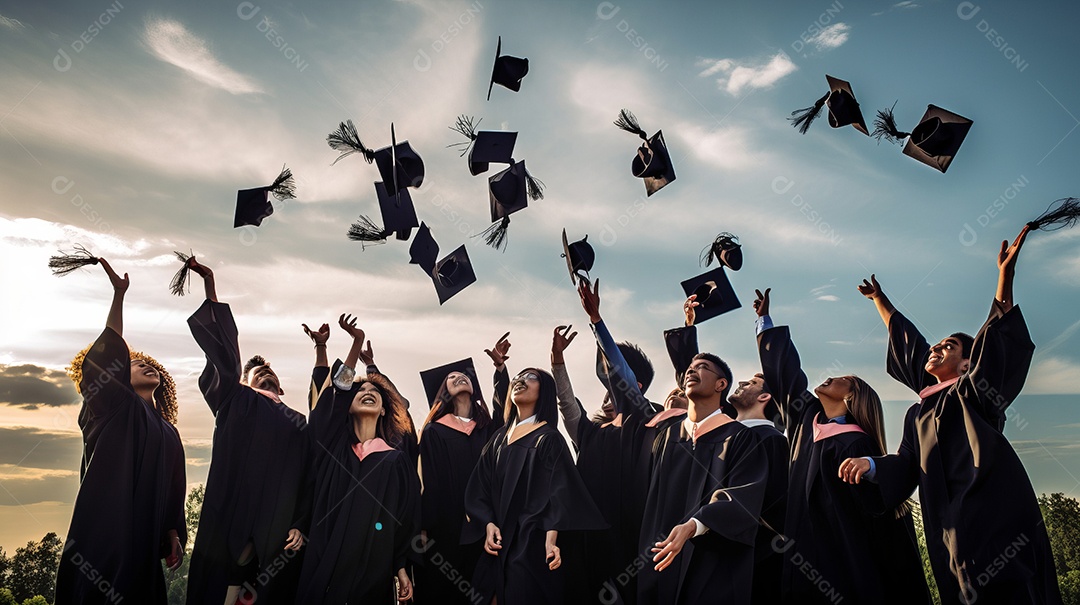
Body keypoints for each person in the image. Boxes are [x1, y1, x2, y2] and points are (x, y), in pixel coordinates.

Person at [839, 226, 1062, 605]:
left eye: (949, 346)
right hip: (947, 529)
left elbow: (997, 345)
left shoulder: (975, 393)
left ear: (967, 364)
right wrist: (872, 465)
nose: (936, 348)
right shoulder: (918, 412)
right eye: (937, 344)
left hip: (993, 518)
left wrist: (1004, 281)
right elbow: (907, 462)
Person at [577, 278, 768, 605]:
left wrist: (696, 525)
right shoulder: (666, 435)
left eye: (703, 368)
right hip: (657, 563)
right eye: (690, 368)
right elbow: (623, 380)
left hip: (710, 564)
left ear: (722, 384)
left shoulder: (740, 438)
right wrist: (597, 321)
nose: (692, 372)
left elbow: (743, 497)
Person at [754, 287, 930, 604]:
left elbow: (874, 513)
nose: (832, 376)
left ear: (852, 395)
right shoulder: (806, 420)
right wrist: (764, 320)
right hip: (799, 553)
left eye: (842, 378)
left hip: (841, 562)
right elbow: (786, 374)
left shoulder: (856, 443)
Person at [55, 259, 186, 605]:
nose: (146, 365)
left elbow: (173, 490)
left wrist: (173, 532)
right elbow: (104, 361)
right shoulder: (111, 407)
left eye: (150, 364)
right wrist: (118, 296)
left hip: (143, 546)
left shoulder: (169, 433)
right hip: (105, 533)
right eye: (134, 363)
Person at [183, 258, 311, 605]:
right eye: (259, 373)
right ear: (242, 381)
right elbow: (224, 352)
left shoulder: (298, 421)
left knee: (268, 584)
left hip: (278, 513)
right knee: (225, 576)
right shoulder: (235, 399)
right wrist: (211, 287)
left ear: (281, 388)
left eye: (272, 373)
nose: (267, 374)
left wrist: (301, 522)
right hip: (234, 502)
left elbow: (308, 476)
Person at [669, 293, 789, 605]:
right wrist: (688, 328)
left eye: (750, 384)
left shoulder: (772, 441)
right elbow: (696, 386)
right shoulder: (713, 434)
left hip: (740, 563)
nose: (740, 385)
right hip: (690, 551)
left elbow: (767, 511)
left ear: (765, 398)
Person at [294, 315, 420, 604]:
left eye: (374, 392)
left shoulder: (395, 460)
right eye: (360, 390)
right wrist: (356, 342)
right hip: (323, 564)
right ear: (346, 407)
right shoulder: (332, 449)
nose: (367, 392)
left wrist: (400, 567)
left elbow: (404, 518)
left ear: (386, 411)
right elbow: (336, 392)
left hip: (372, 572)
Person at [463, 361, 606, 604]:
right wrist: (487, 523)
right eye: (518, 376)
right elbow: (479, 488)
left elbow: (559, 493)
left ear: (545, 391)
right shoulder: (498, 439)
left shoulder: (548, 438)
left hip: (531, 543)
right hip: (497, 543)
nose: (520, 380)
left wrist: (551, 541)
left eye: (530, 377)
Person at [551, 324, 659, 605]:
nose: (607, 393)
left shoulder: (646, 422)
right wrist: (558, 363)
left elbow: (621, 374)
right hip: (588, 539)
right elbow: (566, 405)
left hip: (634, 534)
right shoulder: (589, 433)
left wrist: (597, 322)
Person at [414, 335, 507, 605]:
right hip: (448, 527)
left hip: (488, 522)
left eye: (462, 376)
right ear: (443, 391)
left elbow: (504, 414)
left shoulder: (487, 428)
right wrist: (425, 527)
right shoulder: (434, 431)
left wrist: (500, 371)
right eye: (451, 378)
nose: (459, 378)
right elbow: (431, 484)